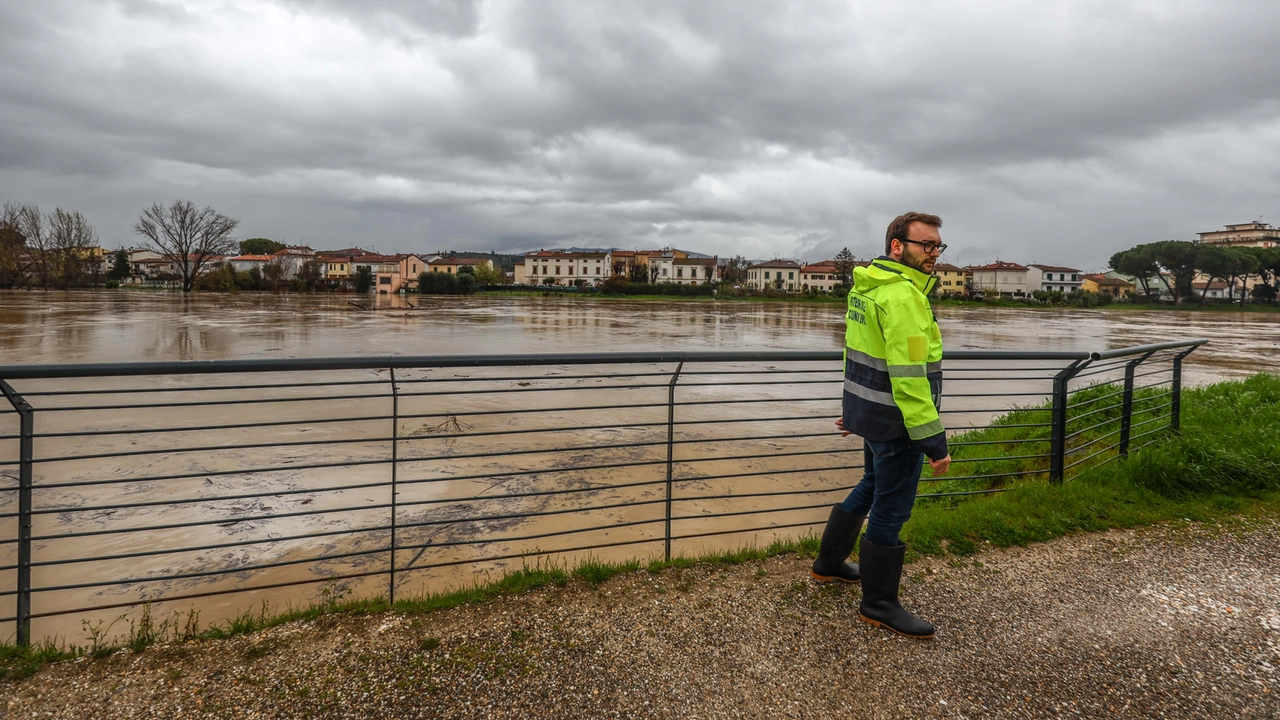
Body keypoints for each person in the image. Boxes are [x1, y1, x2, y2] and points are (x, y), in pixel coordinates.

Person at [809, 212, 951, 640]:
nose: (935, 254)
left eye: (938, 246)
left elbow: (857, 355)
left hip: (874, 416)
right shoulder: (904, 298)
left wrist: (856, 411)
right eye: (927, 245)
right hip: (898, 423)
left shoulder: (868, 287)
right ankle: (879, 604)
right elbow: (910, 378)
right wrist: (934, 442)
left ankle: (829, 564)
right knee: (891, 509)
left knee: (871, 485)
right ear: (897, 246)